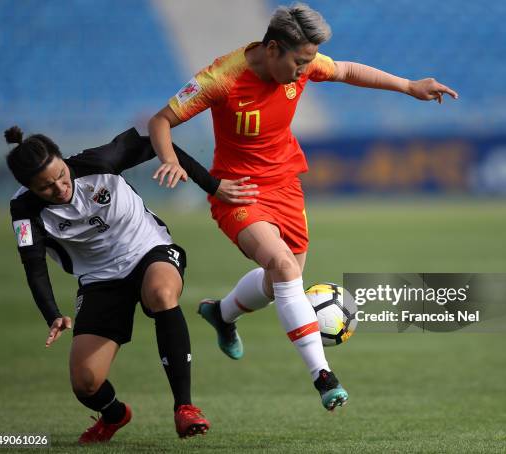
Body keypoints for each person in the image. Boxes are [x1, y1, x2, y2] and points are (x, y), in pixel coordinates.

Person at [147, 2, 458, 411]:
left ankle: (222, 314)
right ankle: (323, 375)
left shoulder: (304, 63)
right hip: (238, 192)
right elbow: (161, 121)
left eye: (309, 61)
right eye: (299, 61)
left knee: (284, 281)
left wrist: (409, 86)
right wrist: (171, 160)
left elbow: (346, 70)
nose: (305, 70)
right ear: (273, 48)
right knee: (284, 267)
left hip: (286, 187)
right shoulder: (222, 77)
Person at [6, 126, 257, 443]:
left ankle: (185, 407)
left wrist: (213, 186)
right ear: (27, 187)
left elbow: (157, 139)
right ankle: (114, 416)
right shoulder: (24, 210)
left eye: (61, 175)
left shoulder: (98, 162)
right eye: (46, 187)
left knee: (161, 293)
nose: (59, 187)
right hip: (98, 278)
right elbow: (34, 264)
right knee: (85, 383)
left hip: (147, 249)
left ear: (62, 159)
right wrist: (52, 313)